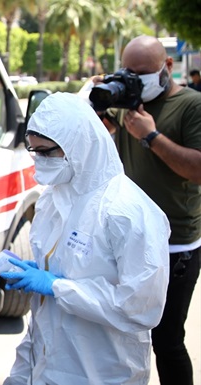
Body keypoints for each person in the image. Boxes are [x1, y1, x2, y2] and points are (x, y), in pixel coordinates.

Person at [1, 92, 170, 385]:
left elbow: (141, 307)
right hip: (46, 367)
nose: (38, 160)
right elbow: (42, 313)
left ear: (78, 146)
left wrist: (58, 287)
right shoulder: (52, 199)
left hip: (104, 371)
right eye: (33, 150)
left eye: (46, 152)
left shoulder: (128, 212)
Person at [98, 35, 201, 385]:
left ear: (167, 67)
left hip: (175, 246)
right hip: (128, 238)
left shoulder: (191, 105)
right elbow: (97, 134)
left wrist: (151, 136)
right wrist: (95, 103)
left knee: (167, 341)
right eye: (128, 71)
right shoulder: (128, 102)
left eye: (143, 72)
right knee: (124, 331)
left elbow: (198, 169)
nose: (135, 78)